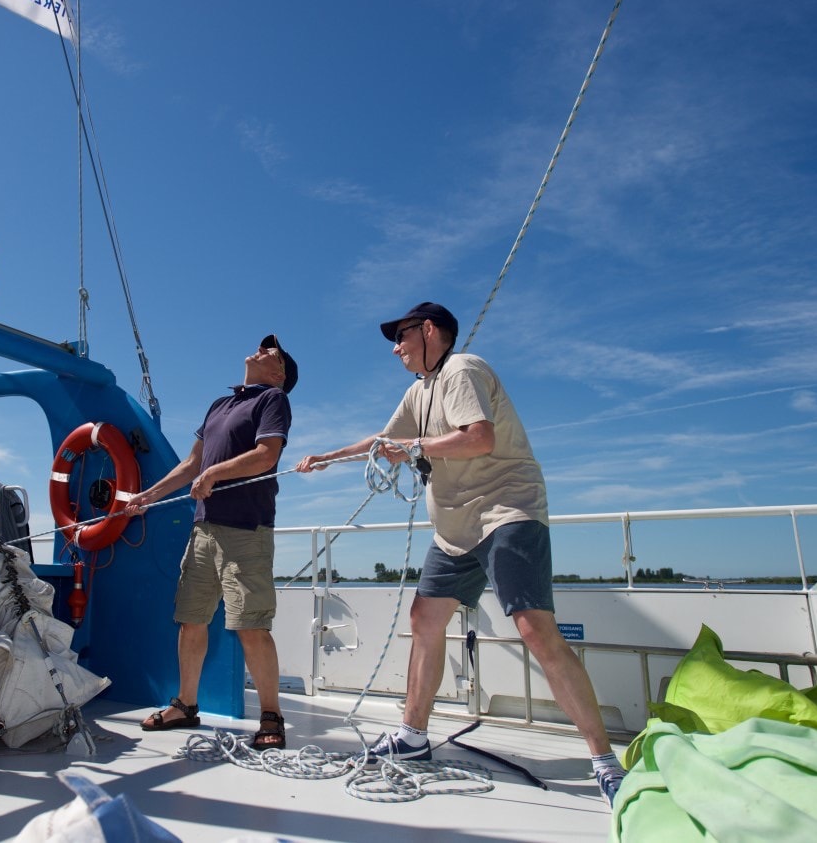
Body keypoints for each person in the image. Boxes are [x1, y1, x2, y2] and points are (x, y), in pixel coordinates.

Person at [296, 302, 627, 804]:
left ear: (429, 331)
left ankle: (604, 762)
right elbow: (385, 439)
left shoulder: (462, 370)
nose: (395, 346)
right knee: (425, 619)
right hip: (453, 530)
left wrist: (415, 449)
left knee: (535, 628)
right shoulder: (418, 391)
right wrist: (328, 458)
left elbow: (479, 438)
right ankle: (413, 736)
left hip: (505, 511)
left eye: (402, 335)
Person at [126, 334, 298, 750]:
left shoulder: (272, 401)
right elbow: (192, 464)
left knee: (250, 625)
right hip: (204, 529)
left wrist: (216, 474)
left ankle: (271, 715)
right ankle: (186, 705)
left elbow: (267, 455)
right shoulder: (219, 406)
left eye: (269, 353)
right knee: (191, 619)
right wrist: (148, 496)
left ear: (278, 374)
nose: (259, 351)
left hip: (246, 529)